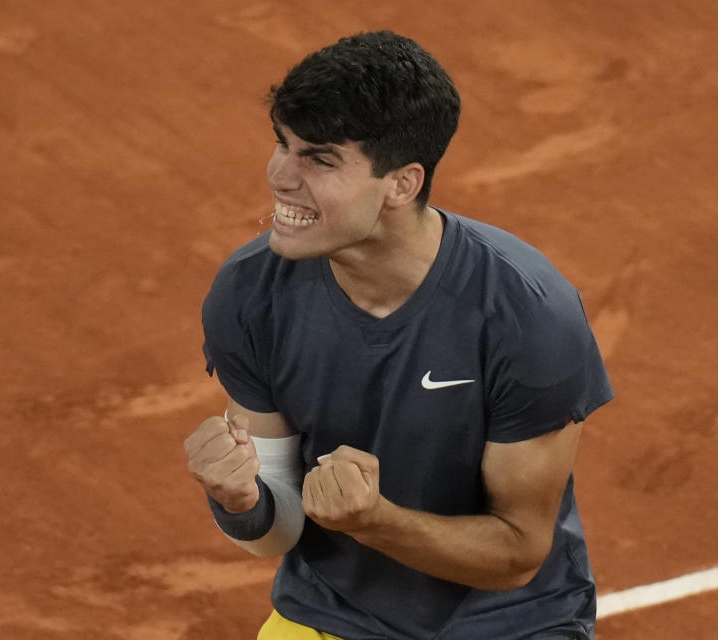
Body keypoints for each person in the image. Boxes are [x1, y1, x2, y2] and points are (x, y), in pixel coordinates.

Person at [184, 30, 613, 640]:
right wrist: (240, 500)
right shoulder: (251, 293)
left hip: (509, 626)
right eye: (283, 145)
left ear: (402, 184)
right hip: (331, 615)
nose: (280, 175)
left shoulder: (526, 315)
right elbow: (278, 531)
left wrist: (375, 521)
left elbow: (518, 553)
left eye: (320, 159)